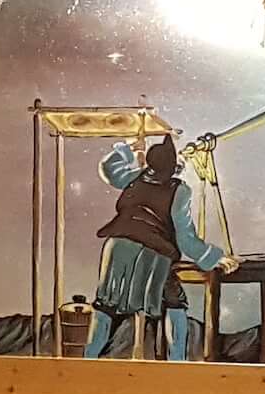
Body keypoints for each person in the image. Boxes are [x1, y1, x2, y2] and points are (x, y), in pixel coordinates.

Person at [87, 136, 223, 358]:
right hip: (152, 251)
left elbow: (110, 169)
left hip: (116, 247)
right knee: (175, 301)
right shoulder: (180, 191)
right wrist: (214, 257)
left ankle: (88, 359)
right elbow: (185, 237)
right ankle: (177, 363)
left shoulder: (137, 177)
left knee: (105, 304)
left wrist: (127, 151)